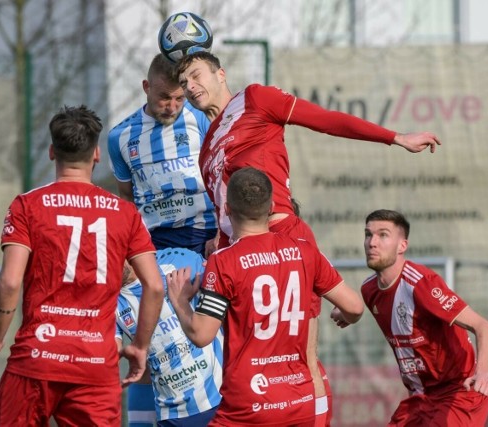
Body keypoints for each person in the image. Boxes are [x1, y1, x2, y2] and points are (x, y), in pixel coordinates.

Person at [175, 51, 442, 425]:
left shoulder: (253, 98)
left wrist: (394, 137)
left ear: (221, 73)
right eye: (184, 82)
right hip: (241, 252)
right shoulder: (206, 148)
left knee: (300, 357)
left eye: (196, 75)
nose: (190, 87)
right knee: (249, 355)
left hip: (284, 235)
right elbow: (227, 210)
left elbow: (325, 120)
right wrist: (218, 246)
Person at [0, 105, 165, 427]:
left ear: (52, 151)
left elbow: (9, 282)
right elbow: (155, 286)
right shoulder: (125, 213)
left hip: (36, 358)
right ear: (95, 154)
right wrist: (140, 346)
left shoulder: (28, 205)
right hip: (95, 362)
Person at [166, 167, 364, 426]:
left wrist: (181, 302)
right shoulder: (304, 250)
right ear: (271, 206)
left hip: (249, 404)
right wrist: (344, 314)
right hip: (299, 400)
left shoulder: (224, 261)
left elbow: (202, 334)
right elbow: (355, 307)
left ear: (226, 209)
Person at [361, 209, 488, 426]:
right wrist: (346, 313)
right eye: (368, 234)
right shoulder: (369, 290)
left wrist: (483, 375)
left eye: (383, 235)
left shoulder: (422, 284)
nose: (372, 242)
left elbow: (484, 327)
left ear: (402, 245)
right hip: (420, 396)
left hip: (459, 391)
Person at [108, 53, 217, 256]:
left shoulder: (201, 119)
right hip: (153, 242)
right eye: (165, 97)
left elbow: (221, 178)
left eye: (179, 98)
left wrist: (221, 234)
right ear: (146, 87)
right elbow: (126, 197)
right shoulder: (119, 136)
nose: (172, 107)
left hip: (204, 235)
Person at [116, 247, 223, 427]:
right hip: (170, 414)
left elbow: (229, 295)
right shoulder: (108, 301)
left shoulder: (178, 261)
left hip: (219, 401)